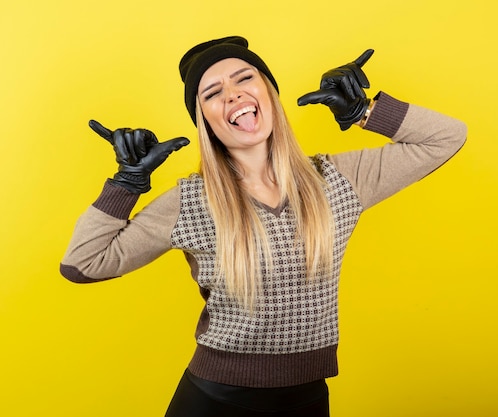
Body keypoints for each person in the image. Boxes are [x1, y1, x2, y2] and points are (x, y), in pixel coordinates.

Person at [60, 36, 467, 416]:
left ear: (269, 93)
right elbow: (83, 264)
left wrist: (365, 112)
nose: (233, 94)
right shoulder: (190, 203)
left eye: (244, 79)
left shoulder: (339, 180)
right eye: (213, 93)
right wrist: (126, 184)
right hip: (213, 399)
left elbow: (447, 137)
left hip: (308, 397)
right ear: (205, 121)